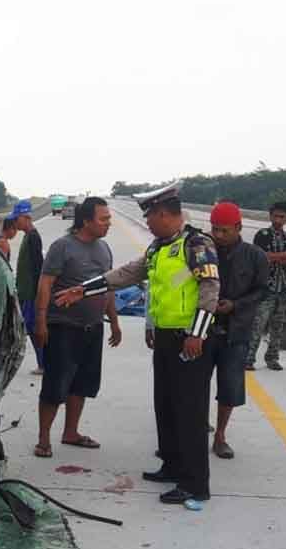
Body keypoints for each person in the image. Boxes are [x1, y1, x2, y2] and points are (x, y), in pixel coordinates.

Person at [55, 183, 220, 505]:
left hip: (190, 340)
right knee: (167, 406)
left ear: (163, 214)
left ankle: (195, 483)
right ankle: (172, 466)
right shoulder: (159, 247)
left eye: (150, 217)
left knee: (190, 411)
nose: (147, 223)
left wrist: (198, 334)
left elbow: (210, 287)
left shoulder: (197, 244)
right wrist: (83, 289)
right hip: (166, 339)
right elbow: (128, 274)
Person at [32, 197, 122, 458]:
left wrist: (114, 322)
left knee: (82, 383)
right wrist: (40, 321)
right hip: (63, 327)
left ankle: (71, 432)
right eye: (103, 219)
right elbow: (45, 284)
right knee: (55, 384)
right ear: (86, 221)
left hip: (92, 328)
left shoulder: (104, 248)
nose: (108, 223)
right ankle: (43, 439)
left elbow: (108, 288)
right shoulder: (63, 247)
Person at [206, 202, 268, 459]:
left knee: (230, 387)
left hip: (237, 331)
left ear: (238, 228)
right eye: (214, 230)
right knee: (195, 384)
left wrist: (235, 305)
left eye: (223, 230)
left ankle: (220, 435)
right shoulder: (203, 251)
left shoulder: (255, 256)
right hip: (204, 330)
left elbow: (262, 290)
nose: (218, 236)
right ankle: (194, 429)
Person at [247, 201, 286, 371]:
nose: (278, 219)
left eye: (282, 217)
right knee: (258, 324)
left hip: (283, 288)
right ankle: (248, 359)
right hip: (266, 287)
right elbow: (259, 257)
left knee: (278, 326)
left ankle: (272, 358)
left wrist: (276, 257)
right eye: (275, 216)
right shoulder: (262, 235)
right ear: (270, 216)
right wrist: (283, 255)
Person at [12, 199, 45, 375]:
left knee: (33, 329)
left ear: (25, 218)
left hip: (32, 295)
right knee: (30, 329)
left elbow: (38, 267)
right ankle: (43, 362)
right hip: (25, 293)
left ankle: (44, 363)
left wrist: (37, 295)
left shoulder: (33, 237)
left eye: (17, 219)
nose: (15, 223)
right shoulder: (27, 236)